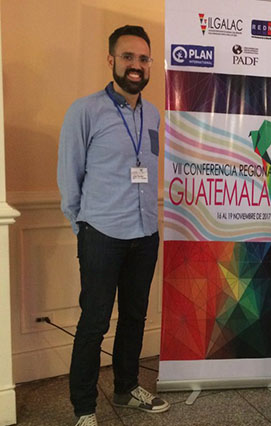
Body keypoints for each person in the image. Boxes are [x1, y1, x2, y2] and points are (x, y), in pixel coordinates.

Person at [57, 25, 169, 426]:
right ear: (112, 61)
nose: (136, 65)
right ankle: (85, 407)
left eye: (143, 58)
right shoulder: (84, 111)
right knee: (94, 322)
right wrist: (82, 227)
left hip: (144, 234)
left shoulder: (154, 114)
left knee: (135, 317)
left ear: (149, 64)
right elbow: (69, 177)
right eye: (128, 57)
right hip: (102, 234)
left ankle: (126, 389)